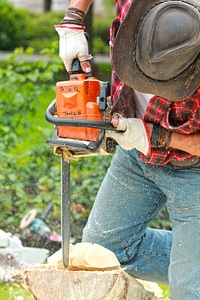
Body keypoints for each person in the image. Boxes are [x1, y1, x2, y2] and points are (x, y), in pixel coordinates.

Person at [55, 1, 200, 299]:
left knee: (189, 289)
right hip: (135, 158)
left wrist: (157, 137)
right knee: (103, 253)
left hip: (194, 170)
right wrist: (73, 20)